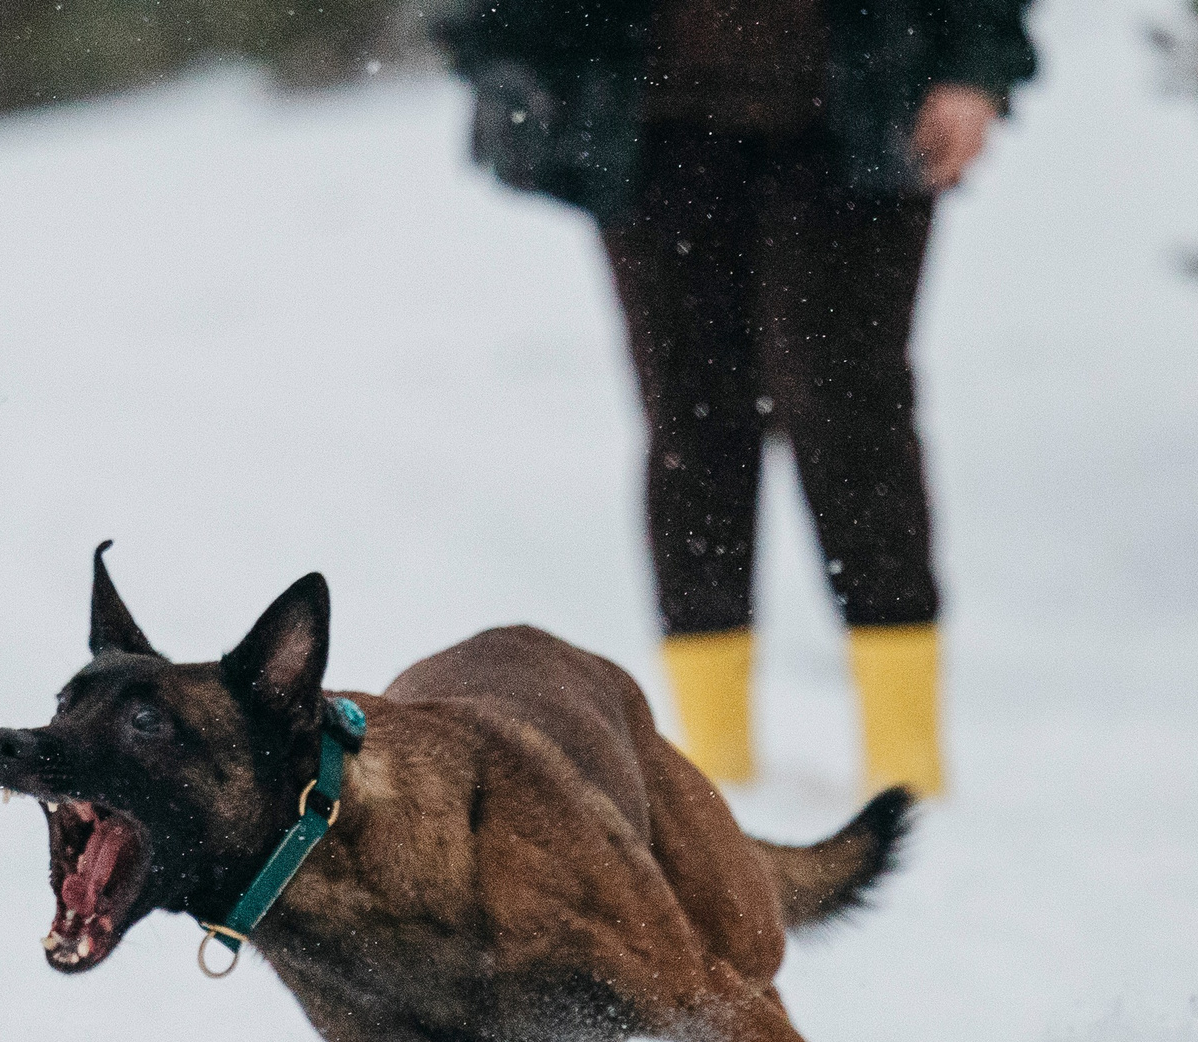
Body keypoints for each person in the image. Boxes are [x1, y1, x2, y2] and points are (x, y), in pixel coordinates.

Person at [439, 0, 1038, 795]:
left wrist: (972, 64)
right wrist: (505, 56)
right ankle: (712, 766)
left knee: (850, 416)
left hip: (861, 103)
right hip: (651, 115)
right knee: (692, 421)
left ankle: (908, 766)